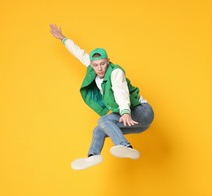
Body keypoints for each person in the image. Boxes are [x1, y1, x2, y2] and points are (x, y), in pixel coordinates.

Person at [49, 24, 154, 170]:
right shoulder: (93, 68)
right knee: (98, 130)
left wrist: (125, 112)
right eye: (95, 65)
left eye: (103, 64)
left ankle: (125, 146)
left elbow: (120, 91)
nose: (99, 68)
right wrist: (63, 39)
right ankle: (93, 156)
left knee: (103, 120)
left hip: (142, 112)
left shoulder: (115, 72)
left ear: (108, 61)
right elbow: (80, 54)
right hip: (136, 124)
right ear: (92, 64)